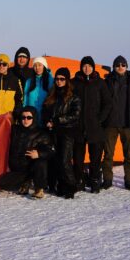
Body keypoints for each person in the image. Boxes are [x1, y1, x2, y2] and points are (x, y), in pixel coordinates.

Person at [102, 56, 130, 190]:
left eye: (123, 65)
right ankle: (107, 180)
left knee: (129, 155)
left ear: (126, 66)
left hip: (127, 124)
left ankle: (129, 180)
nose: (120, 67)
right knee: (108, 154)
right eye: (117, 65)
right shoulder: (107, 82)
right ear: (114, 67)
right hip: (110, 124)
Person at [72, 56, 112, 193]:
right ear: (81, 67)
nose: (87, 68)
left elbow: (107, 103)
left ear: (93, 67)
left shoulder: (100, 83)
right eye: (84, 66)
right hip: (78, 126)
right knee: (78, 157)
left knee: (95, 156)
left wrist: (100, 119)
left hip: (95, 127)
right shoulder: (75, 82)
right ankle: (80, 180)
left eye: (89, 66)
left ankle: (95, 179)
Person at [0, 106, 56, 198]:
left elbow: (51, 151)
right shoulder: (14, 130)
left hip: (32, 167)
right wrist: (7, 117)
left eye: (29, 117)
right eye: (23, 117)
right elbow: (2, 127)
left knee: (41, 162)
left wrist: (39, 154)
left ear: (34, 118)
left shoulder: (42, 133)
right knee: (2, 183)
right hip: (19, 170)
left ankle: (39, 188)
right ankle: (26, 181)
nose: (26, 120)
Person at [43, 67, 80, 199]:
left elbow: (75, 115)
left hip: (67, 132)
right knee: (56, 160)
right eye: (57, 79)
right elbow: (45, 110)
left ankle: (71, 186)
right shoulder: (51, 95)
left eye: (62, 79)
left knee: (65, 160)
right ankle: (61, 186)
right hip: (53, 132)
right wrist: (47, 120)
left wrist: (57, 121)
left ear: (67, 80)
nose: (59, 81)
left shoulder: (73, 97)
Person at [23, 56, 54, 126]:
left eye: (40, 65)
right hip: (31, 116)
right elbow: (25, 99)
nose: (37, 68)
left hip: (45, 116)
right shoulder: (29, 81)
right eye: (35, 66)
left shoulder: (50, 80)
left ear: (44, 66)